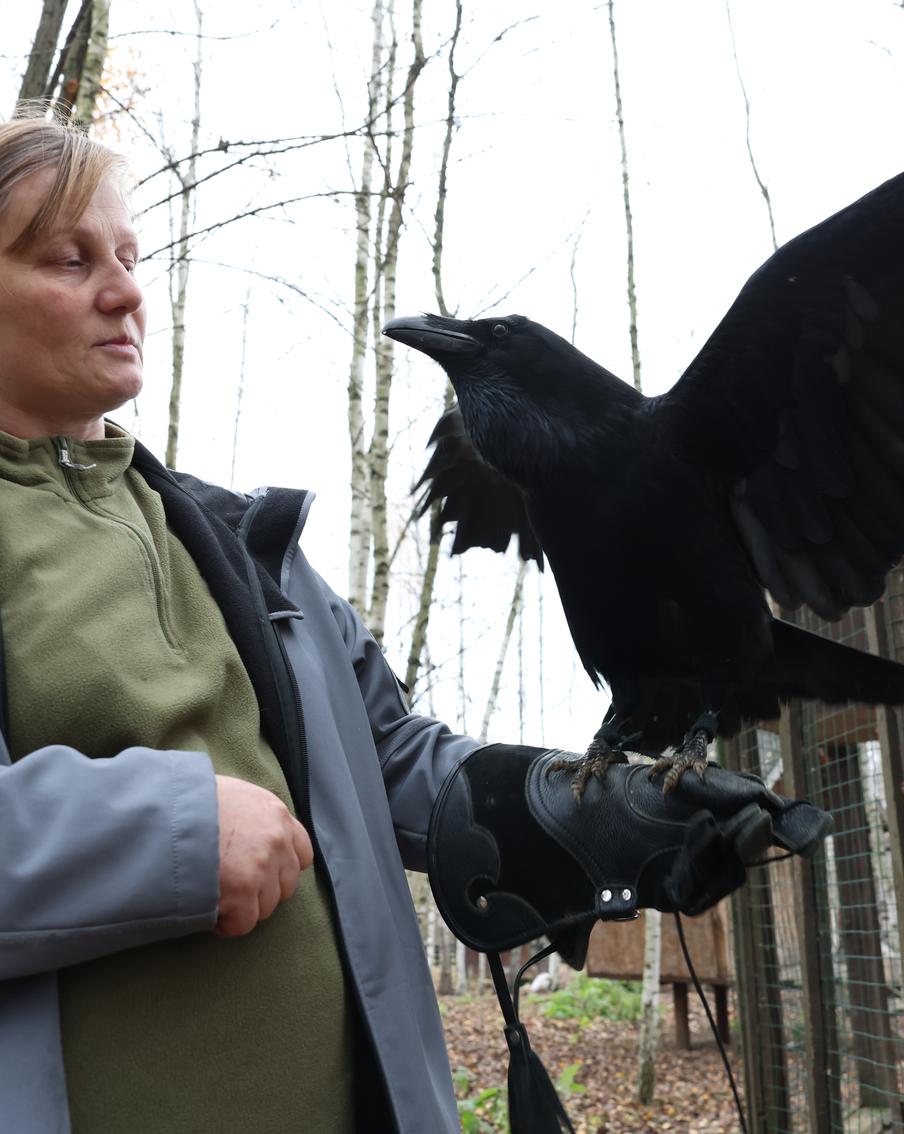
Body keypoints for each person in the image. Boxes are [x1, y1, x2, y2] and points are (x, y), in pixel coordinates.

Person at [0, 115, 828, 1134]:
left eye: (128, 255)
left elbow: (383, 761)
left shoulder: (237, 541)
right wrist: (160, 838)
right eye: (68, 258)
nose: (127, 290)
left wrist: (569, 815)